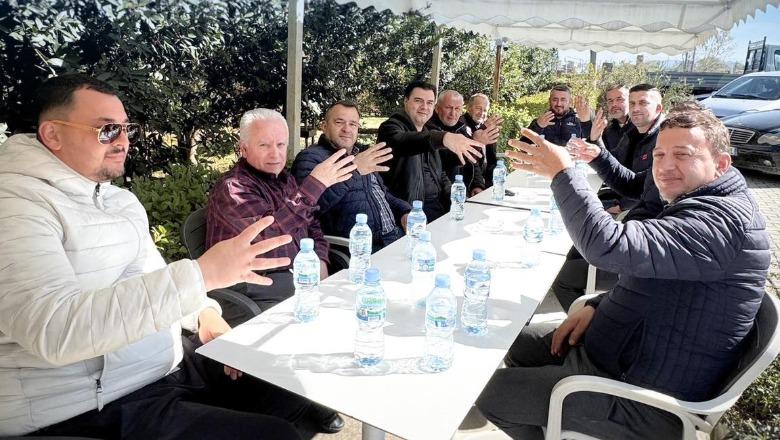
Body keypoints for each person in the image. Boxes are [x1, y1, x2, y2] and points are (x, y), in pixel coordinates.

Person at [0, 74, 343, 438]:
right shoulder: (16, 205)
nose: (123, 141)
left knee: (291, 386)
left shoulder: (118, 200)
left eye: (126, 129)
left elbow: (151, 275)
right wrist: (202, 276)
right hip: (86, 403)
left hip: (165, 365)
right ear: (53, 134)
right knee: (275, 435)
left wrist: (204, 313)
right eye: (107, 130)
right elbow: (55, 330)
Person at [476, 104, 770, 440]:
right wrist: (598, 305)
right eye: (659, 155)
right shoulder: (703, 200)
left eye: (683, 155)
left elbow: (607, 245)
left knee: (490, 394)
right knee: (513, 344)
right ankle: (549, 417)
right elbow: (658, 278)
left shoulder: (721, 223)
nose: (665, 166)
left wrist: (563, 172)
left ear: (721, 164)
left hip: (642, 395)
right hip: (621, 349)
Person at [206, 108, 356, 316]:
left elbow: (311, 223)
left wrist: (320, 258)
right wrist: (315, 185)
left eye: (280, 145)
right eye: (264, 145)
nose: (275, 154)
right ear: (244, 149)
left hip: (296, 276)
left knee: (352, 301)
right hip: (253, 285)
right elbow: (268, 237)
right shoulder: (234, 188)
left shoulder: (284, 179)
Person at [291, 101, 411, 251]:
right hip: (360, 248)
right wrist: (355, 169)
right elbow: (309, 207)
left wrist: (405, 211)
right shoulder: (311, 158)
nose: (347, 129)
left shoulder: (360, 155)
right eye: (339, 122)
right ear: (324, 126)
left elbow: (382, 194)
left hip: (396, 237)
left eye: (353, 124)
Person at [377, 80, 483, 221]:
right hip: (410, 213)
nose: (424, 107)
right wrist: (443, 137)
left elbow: (439, 175)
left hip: (439, 208)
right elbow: (402, 141)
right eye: (418, 101)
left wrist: (458, 199)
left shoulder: (427, 133)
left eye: (429, 102)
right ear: (406, 101)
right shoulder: (390, 128)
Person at [426, 90, 499, 196]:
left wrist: (477, 185)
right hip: (443, 195)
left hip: (461, 191)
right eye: (448, 108)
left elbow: (473, 162)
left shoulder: (461, 128)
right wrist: (475, 143)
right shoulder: (429, 129)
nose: (453, 113)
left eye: (457, 109)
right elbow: (446, 162)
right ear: (437, 108)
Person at [463, 93, 502, 184]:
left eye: (485, 110)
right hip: (468, 181)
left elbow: (492, 160)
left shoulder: (486, 126)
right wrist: (483, 128)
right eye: (478, 108)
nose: (481, 113)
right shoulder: (461, 124)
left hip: (485, 180)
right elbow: (468, 159)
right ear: (469, 108)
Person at [587, 84, 633, 154]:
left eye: (619, 99)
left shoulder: (640, 127)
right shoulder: (607, 130)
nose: (614, 104)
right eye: (610, 101)